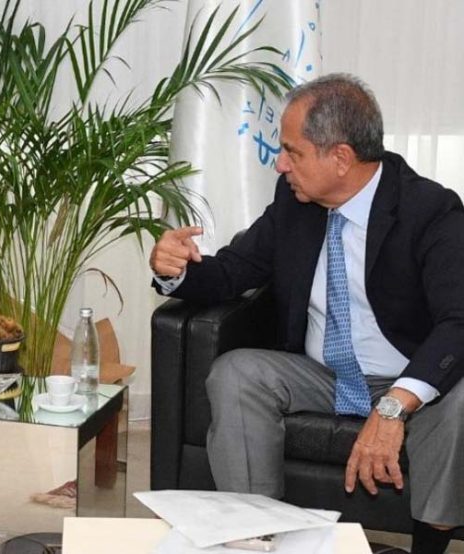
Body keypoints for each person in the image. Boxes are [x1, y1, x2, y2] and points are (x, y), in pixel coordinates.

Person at [150, 74, 463, 554]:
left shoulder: (429, 210)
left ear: (340, 157)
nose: (281, 164)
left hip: (405, 373)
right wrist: (174, 270)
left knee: (458, 401)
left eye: (292, 152)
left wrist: (394, 406)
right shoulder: (294, 202)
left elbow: (458, 320)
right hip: (323, 373)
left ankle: (429, 546)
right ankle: (255, 531)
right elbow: (233, 271)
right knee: (237, 373)